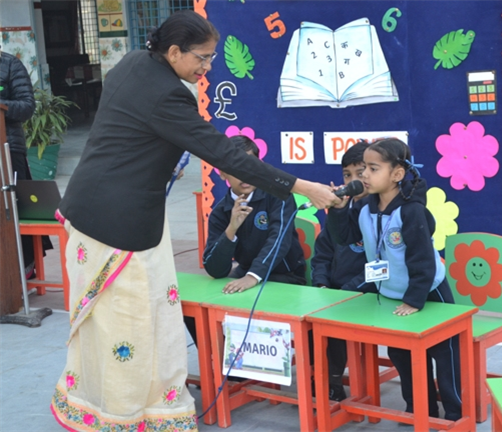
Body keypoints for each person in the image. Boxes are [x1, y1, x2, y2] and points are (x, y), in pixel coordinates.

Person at [50, 10, 339, 432]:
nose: (207, 67)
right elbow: (225, 154)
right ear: (173, 52)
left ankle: (116, 405)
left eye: (212, 58)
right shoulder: (168, 95)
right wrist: (302, 186)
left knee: (126, 320)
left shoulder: (133, 63)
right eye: (202, 58)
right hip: (117, 225)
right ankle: (123, 417)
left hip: (92, 208)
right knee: (130, 326)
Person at [327, 138, 462, 421]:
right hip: (392, 294)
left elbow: (423, 260)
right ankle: (419, 409)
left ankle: (454, 412)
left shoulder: (411, 210)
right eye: (362, 169)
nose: (364, 175)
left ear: (397, 174)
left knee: (444, 353)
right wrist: (338, 210)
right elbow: (344, 237)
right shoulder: (365, 207)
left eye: (372, 169)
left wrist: (414, 300)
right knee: (403, 353)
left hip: (428, 292)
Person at [184, 135, 306, 344]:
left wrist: (253, 276)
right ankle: (218, 357)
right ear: (222, 172)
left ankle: (242, 357)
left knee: (247, 301)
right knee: (193, 307)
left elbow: (279, 240)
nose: (245, 174)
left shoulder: (279, 195)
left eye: (249, 165)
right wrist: (231, 229)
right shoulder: (221, 212)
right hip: (245, 273)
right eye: (236, 168)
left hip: (286, 276)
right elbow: (215, 269)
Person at [310, 141, 376, 401]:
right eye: (348, 175)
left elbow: (380, 267)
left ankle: (332, 380)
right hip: (335, 292)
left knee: (333, 322)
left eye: (362, 173)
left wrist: (345, 293)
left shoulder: (379, 213)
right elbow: (322, 254)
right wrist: (321, 285)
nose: (354, 181)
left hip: (365, 292)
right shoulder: (340, 211)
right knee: (310, 320)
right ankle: (320, 376)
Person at [0, 45, 50, 277]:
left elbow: (27, 106)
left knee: (14, 210)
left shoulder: (10, 64)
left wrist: (2, 105)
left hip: (8, 150)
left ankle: (22, 270)